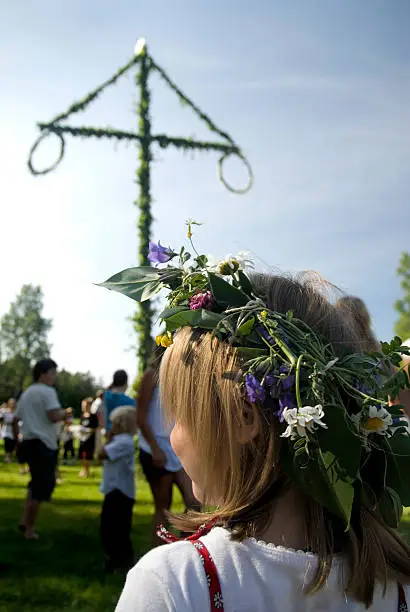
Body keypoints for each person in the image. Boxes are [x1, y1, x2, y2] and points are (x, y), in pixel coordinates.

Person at [112, 251, 410, 611]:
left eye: (181, 416)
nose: (172, 434)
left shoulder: (178, 584)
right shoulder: (397, 588)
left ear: (243, 417)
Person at [13, 358, 65, 540]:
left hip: (28, 442)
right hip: (43, 444)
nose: (54, 377)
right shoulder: (48, 392)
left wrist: (17, 440)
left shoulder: (26, 393)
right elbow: (53, 415)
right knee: (41, 487)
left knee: (34, 484)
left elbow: (15, 419)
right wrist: (64, 413)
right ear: (43, 373)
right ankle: (30, 530)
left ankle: (24, 520)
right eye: (52, 373)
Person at [99, 405, 137, 573]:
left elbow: (101, 454)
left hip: (119, 491)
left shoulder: (124, 442)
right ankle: (118, 559)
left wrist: (102, 437)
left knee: (115, 528)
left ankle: (119, 560)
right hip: (116, 489)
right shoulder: (121, 441)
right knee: (114, 526)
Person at [78, 397, 98, 478]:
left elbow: (95, 428)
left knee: (88, 455)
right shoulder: (82, 416)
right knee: (81, 455)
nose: (84, 407)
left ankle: (87, 471)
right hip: (82, 438)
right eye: (83, 405)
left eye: (85, 405)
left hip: (90, 438)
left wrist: (88, 430)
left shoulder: (93, 416)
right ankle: (83, 469)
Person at [2, 398, 16, 463]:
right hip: (6, 430)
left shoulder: (16, 412)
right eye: (11, 403)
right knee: (7, 443)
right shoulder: (5, 411)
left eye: (13, 403)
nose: (12, 405)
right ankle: (7, 457)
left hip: (14, 430)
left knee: (12, 445)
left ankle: (9, 457)